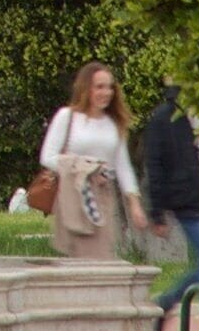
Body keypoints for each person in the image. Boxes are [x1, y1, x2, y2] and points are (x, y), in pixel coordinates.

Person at [138, 85, 199, 331]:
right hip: (188, 201)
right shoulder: (165, 118)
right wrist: (157, 212)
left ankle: (166, 302)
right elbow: (155, 164)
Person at [37, 60, 142, 260]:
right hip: (75, 194)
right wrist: (83, 166)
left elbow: (123, 166)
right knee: (80, 255)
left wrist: (134, 203)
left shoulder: (113, 124)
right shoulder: (67, 117)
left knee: (102, 254)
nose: (106, 92)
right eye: (99, 87)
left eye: (110, 87)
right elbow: (47, 156)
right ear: (86, 88)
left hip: (104, 195)